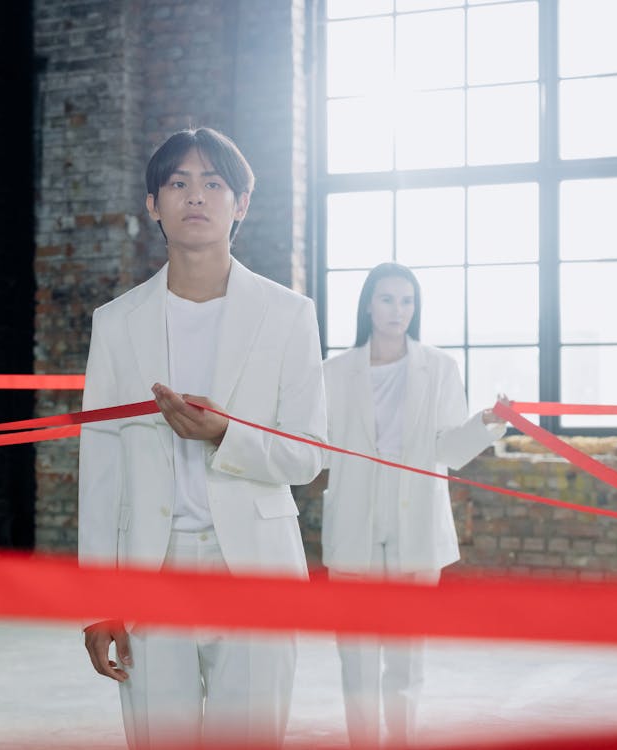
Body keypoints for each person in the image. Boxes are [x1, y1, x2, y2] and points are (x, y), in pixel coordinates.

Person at [78, 128, 327, 749]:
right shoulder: (115, 325)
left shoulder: (289, 315)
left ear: (240, 204)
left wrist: (226, 435)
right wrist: (98, 601)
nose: (196, 196)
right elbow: (100, 467)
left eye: (214, 183)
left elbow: (308, 455)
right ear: (153, 204)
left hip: (255, 569)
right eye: (178, 183)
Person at [321, 262, 508, 747]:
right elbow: (315, 448)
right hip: (355, 523)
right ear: (368, 304)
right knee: (356, 659)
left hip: (416, 527)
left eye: (407, 301)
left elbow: (447, 449)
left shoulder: (440, 368)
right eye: (387, 299)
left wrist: (485, 423)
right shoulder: (334, 372)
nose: (397, 310)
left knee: (405, 660)